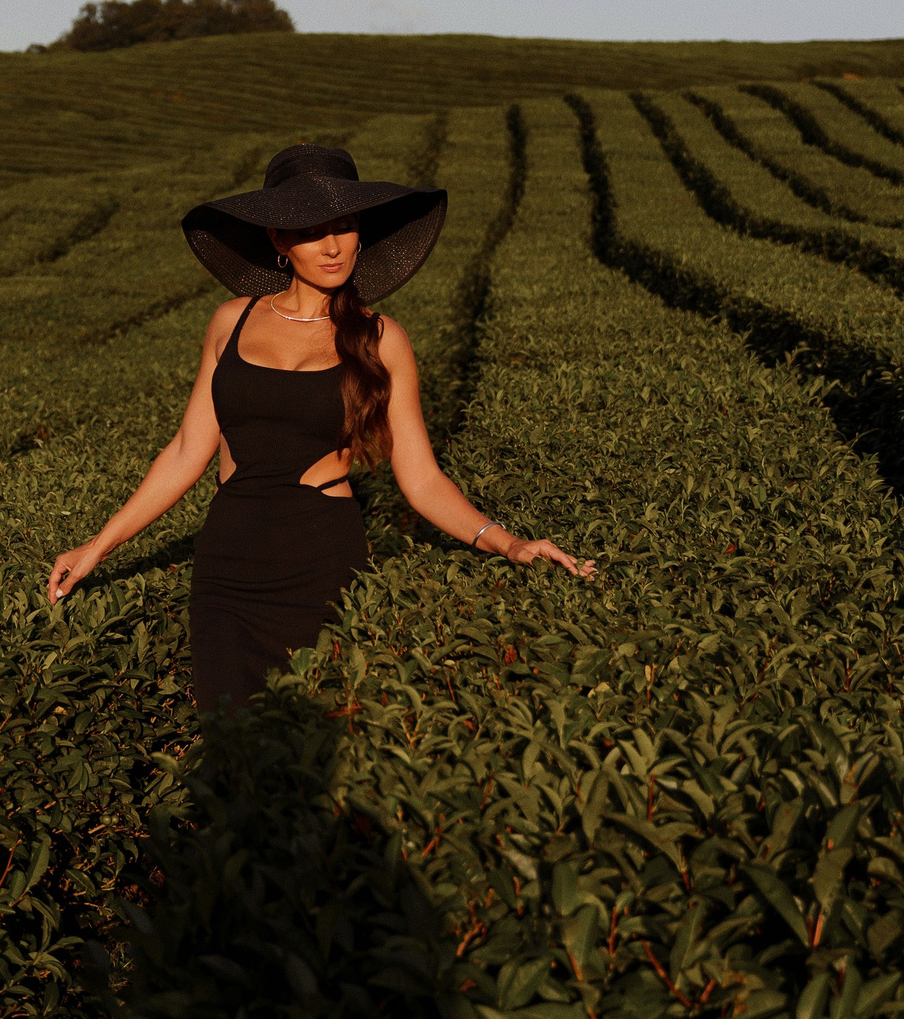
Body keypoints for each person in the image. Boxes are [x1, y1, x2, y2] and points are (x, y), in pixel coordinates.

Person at [43, 142, 593, 711]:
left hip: (320, 564)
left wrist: (507, 543)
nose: (334, 246)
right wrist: (98, 547)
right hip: (227, 568)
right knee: (230, 748)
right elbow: (187, 451)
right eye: (312, 229)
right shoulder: (231, 321)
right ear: (278, 240)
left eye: (347, 225)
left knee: (307, 750)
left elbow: (422, 480)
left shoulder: (383, 339)